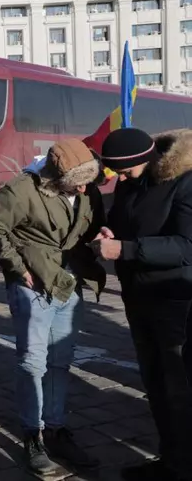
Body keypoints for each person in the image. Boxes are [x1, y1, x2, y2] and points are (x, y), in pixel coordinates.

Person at [0, 139, 104, 475]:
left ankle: (56, 429)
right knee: (33, 364)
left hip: (69, 283)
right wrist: (17, 267)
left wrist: (100, 237)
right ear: (58, 176)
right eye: (77, 182)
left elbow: (87, 228)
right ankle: (33, 435)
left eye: (88, 180)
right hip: (33, 286)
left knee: (60, 361)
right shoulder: (22, 190)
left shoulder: (87, 189)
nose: (84, 188)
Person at [90, 128, 192, 481]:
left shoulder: (184, 182)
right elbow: (127, 224)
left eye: (125, 171)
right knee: (155, 384)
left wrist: (126, 249)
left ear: (146, 160)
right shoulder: (129, 184)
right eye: (115, 171)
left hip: (175, 302)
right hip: (138, 297)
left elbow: (187, 246)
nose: (119, 178)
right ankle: (171, 460)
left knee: (179, 388)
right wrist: (111, 234)